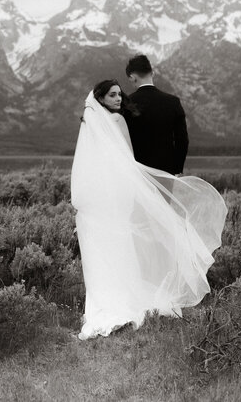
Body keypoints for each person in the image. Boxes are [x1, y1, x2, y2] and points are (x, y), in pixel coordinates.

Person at [70, 78, 226, 340]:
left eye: (119, 94)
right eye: (112, 96)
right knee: (121, 243)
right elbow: (128, 158)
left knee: (105, 247)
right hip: (118, 193)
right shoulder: (118, 122)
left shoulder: (92, 124)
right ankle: (124, 298)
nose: (119, 99)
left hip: (101, 197)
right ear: (101, 99)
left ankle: (105, 301)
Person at [124, 54, 188, 175]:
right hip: (166, 170)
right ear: (152, 73)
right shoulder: (173, 102)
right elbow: (182, 140)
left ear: (132, 77)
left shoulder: (127, 103)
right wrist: (177, 168)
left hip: (137, 171)